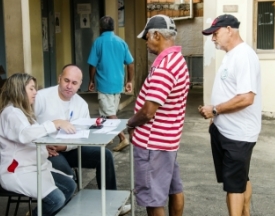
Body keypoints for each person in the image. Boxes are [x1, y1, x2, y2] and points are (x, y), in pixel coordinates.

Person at [34, 64, 130, 215]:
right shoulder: (41, 97)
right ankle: (58, 210)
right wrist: (41, 145)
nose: (69, 86)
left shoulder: (81, 104)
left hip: (68, 148)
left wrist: (64, 147)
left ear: (80, 85)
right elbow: (28, 126)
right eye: (66, 80)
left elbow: (83, 135)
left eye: (74, 83)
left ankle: (112, 203)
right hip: (45, 151)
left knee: (105, 155)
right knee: (68, 176)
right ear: (59, 78)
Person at [127, 14, 190, 216]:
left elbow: (148, 112)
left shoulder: (164, 68)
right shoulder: (177, 60)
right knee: (174, 190)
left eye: (146, 37)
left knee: (153, 200)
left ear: (156, 35)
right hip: (168, 141)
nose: (146, 43)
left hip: (152, 145)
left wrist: (130, 123)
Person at [199, 14, 261, 216]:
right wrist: (216, 119)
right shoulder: (231, 54)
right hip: (225, 130)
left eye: (215, 33)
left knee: (233, 186)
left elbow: (246, 98)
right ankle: (245, 213)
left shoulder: (244, 56)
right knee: (240, 177)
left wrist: (215, 110)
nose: (213, 38)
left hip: (238, 134)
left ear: (229, 29)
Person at [0, 73, 76, 216]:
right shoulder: (11, 113)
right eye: (31, 88)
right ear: (19, 90)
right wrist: (55, 123)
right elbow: (24, 135)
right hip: (18, 171)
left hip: (34, 167)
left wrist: (43, 147)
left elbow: (29, 136)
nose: (36, 92)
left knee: (69, 186)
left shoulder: (22, 112)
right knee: (57, 199)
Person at [87, 15, 134, 152]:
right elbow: (130, 63)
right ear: (113, 27)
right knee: (107, 111)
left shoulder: (98, 42)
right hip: (118, 84)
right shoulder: (121, 42)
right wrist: (129, 81)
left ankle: (122, 137)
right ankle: (108, 136)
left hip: (104, 85)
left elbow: (92, 65)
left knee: (109, 114)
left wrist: (91, 81)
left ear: (100, 28)